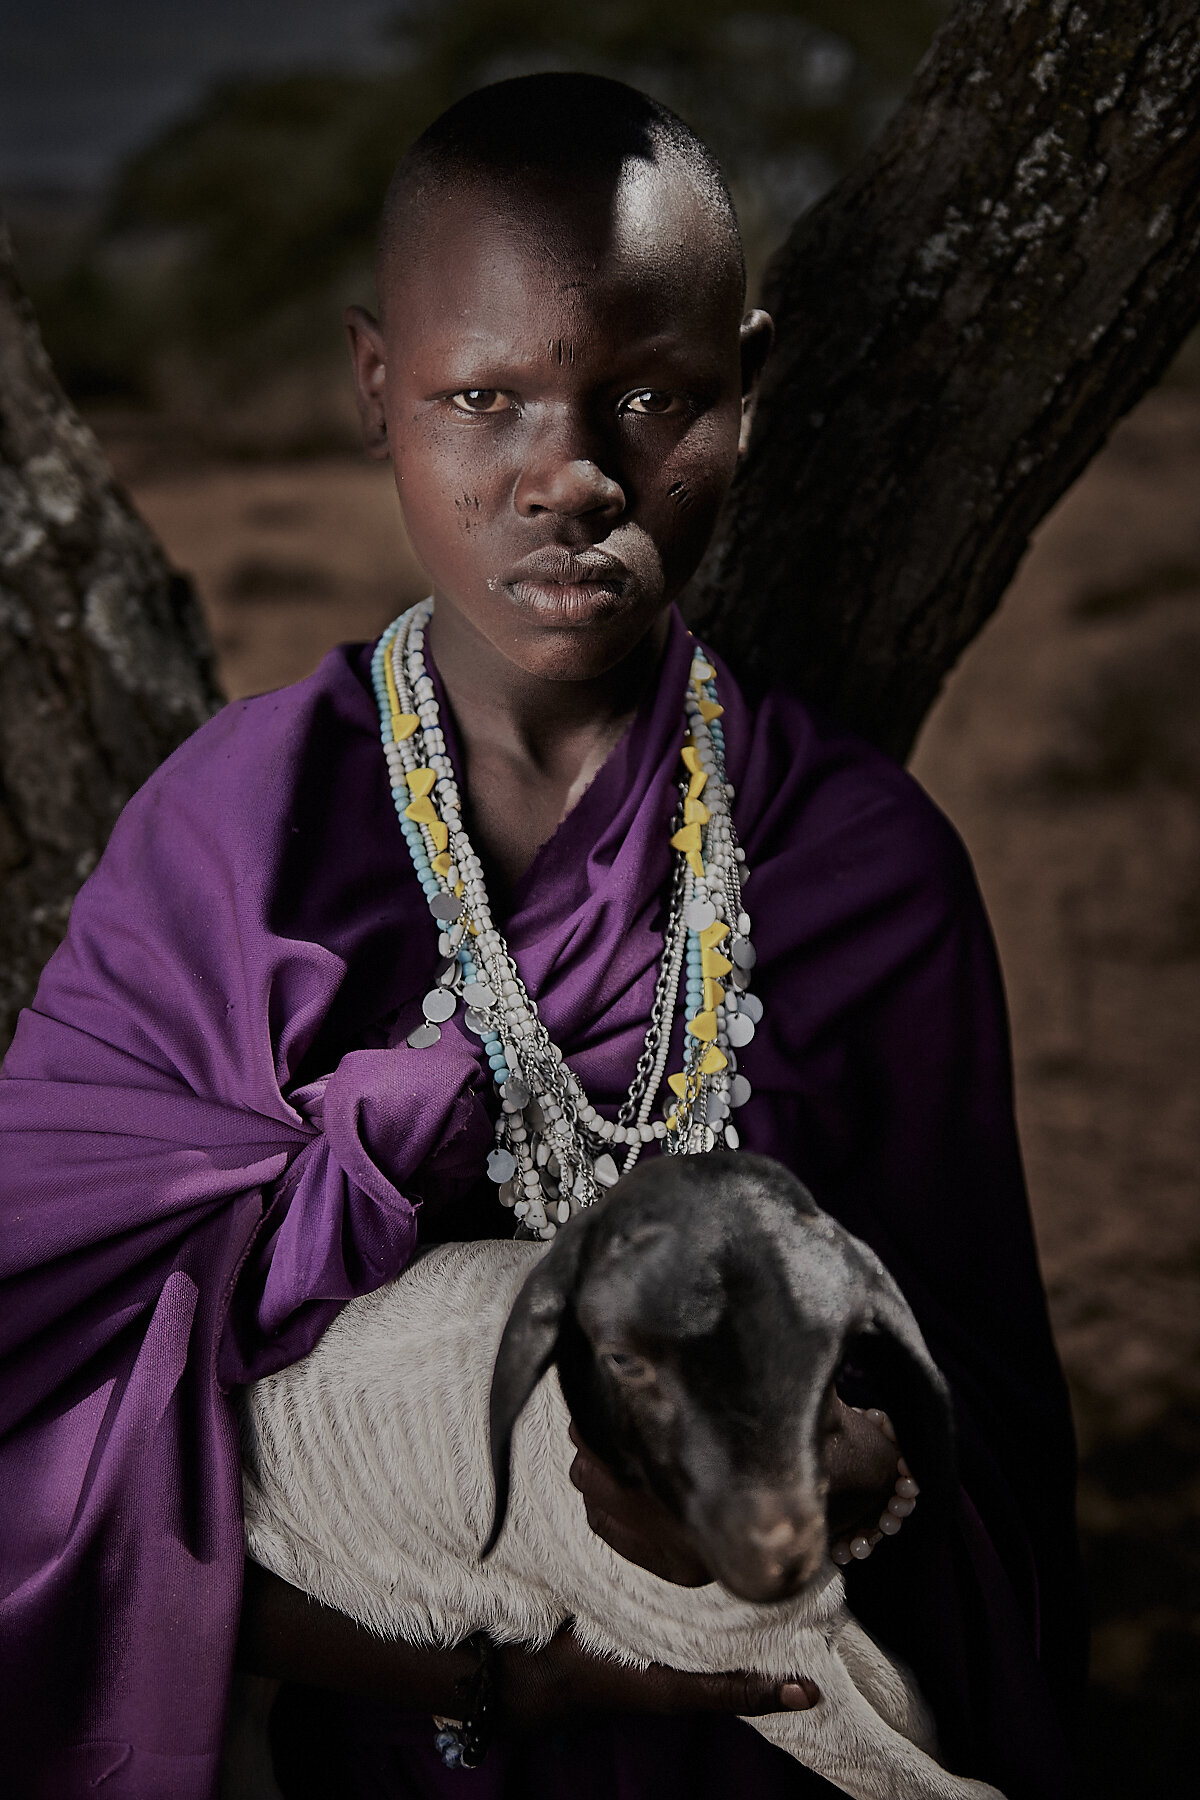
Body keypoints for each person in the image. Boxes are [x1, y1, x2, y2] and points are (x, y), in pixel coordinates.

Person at [0, 74, 1084, 1800]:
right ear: (378, 389)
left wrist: (863, 1469)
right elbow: (39, 1435)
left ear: (749, 386)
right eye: (481, 396)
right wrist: (488, 1672)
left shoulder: (868, 867)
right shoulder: (228, 848)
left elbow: (1004, 1464)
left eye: (652, 395)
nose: (570, 475)